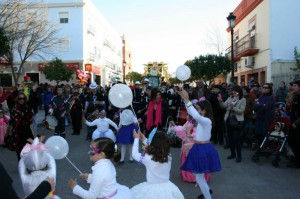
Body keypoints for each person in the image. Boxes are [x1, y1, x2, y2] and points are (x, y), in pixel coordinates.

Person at [179, 90, 221, 199]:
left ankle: (208, 196)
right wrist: (185, 101)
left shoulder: (206, 121)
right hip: (198, 147)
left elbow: (196, 116)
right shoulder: (203, 120)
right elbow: (192, 113)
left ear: (204, 110)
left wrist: (188, 100)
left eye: (198, 109)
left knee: (199, 177)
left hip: (203, 149)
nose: (196, 111)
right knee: (199, 176)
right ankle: (207, 192)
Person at [68, 137, 133, 199]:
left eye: (92, 150)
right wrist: (89, 177)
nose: (89, 152)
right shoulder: (107, 163)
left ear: (102, 154)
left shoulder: (100, 171)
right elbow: (104, 180)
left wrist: (75, 187)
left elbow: (91, 196)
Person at [131, 129, 184, 199]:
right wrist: (144, 139)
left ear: (153, 143)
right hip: (167, 187)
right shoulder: (168, 156)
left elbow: (134, 154)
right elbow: (158, 147)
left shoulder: (147, 158)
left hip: (151, 188)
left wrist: (136, 139)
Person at [4, 92, 34, 161]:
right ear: (17, 99)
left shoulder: (27, 107)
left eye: (23, 98)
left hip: (27, 132)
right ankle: (21, 165)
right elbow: (9, 98)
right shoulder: (14, 108)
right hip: (18, 133)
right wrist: (16, 90)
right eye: (20, 98)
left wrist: (33, 91)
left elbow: (34, 100)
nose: (22, 100)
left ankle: (29, 164)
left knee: (31, 148)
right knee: (20, 151)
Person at [220, 86, 246, 162]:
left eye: (235, 91)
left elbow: (241, 111)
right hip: (228, 120)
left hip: (237, 121)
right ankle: (232, 154)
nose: (233, 92)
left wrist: (232, 108)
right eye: (233, 91)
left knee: (236, 139)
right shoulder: (230, 98)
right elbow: (224, 106)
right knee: (230, 138)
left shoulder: (242, 99)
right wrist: (220, 101)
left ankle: (239, 156)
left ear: (239, 91)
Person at [170, 114, 198, 183]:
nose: (186, 116)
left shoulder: (194, 124)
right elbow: (182, 129)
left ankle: (192, 177)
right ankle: (188, 176)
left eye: (188, 116)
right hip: (186, 142)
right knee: (187, 158)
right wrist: (174, 126)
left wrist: (191, 135)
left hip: (192, 143)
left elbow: (196, 133)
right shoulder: (188, 123)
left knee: (190, 159)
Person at [287, 80, 300, 168]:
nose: (293, 87)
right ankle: (296, 159)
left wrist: (296, 123)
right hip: (292, 123)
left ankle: (298, 162)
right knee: (291, 141)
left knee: (297, 142)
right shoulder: (296, 96)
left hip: (297, 124)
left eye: (295, 86)